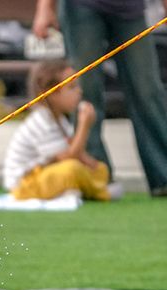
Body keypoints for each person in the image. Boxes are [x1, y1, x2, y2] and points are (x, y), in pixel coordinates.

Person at [32, 0, 167, 197]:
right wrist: (45, 8)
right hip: (81, 7)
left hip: (130, 9)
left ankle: (162, 176)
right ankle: (94, 178)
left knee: (147, 90)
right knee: (83, 92)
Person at [4, 59, 111, 201]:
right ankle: (99, 192)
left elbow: (75, 154)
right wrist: (84, 126)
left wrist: (96, 167)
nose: (79, 91)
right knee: (71, 169)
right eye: (72, 87)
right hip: (24, 184)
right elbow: (69, 157)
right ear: (51, 93)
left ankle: (88, 188)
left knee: (100, 170)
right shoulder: (40, 121)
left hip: (47, 173)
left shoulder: (59, 120)